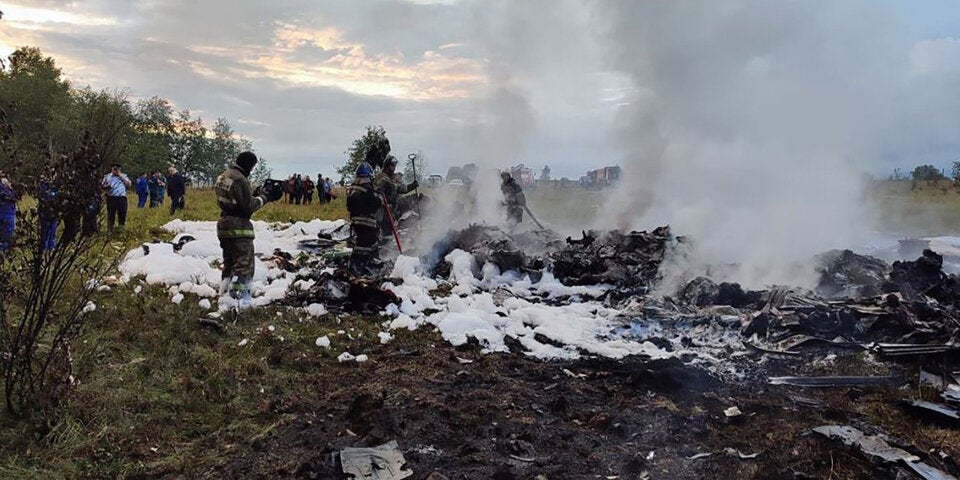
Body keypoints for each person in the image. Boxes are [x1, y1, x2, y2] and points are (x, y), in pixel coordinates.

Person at [215, 151, 276, 306]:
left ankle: (224, 291)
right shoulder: (240, 180)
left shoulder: (224, 176)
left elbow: (234, 198)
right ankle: (238, 298)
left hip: (224, 225)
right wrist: (264, 198)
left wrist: (252, 194)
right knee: (244, 263)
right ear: (250, 165)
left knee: (229, 262)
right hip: (239, 226)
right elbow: (248, 206)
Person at [346, 162, 382, 276]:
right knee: (366, 244)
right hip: (367, 221)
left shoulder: (352, 188)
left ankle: (360, 263)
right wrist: (379, 199)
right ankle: (360, 264)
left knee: (361, 242)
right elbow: (374, 204)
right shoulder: (368, 188)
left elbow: (349, 206)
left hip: (355, 221)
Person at [374, 155, 418, 237]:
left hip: (390, 210)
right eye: (392, 165)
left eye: (395, 166)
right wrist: (398, 186)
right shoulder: (381, 176)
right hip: (381, 210)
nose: (394, 168)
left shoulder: (393, 177)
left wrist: (411, 186)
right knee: (384, 231)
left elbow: (401, 188)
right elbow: (392, 187)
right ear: (387, 166)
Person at [101, 163, 131, 230]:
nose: (115, 170)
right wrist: (107, 187)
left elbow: (129, 185)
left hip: (121, 197)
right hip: (111, 197)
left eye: (117, 169)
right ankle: (110, 230)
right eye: (114, 169)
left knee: (122, 214)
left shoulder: (124, 176)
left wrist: (120, 176)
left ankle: (121, 229)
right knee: (111, 215)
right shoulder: (107, 176)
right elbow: (102, 186)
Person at [37, 166, 59, 251]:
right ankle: (44, 249)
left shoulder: (57, 184)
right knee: (45, 231)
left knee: (53, 232)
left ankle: (52, 248)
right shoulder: (43, 184)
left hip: (54, 211)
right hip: (45, 211)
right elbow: (42, 196)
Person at [0, 170, 17, 252]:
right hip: (6, 213)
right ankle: (4, 250)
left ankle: (4, 250)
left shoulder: (10, 189)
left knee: (7, 234)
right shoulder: (6, 189)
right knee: (6, 234)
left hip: (8, 213)